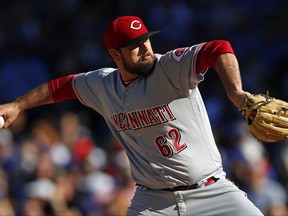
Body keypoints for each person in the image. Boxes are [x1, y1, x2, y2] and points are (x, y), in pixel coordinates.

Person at [0, 15, 264, 216]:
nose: (145, 48)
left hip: (211, 191)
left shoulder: (170, 67)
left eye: (145, 40)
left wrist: (236, 93)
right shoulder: (102, 84)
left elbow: (218, 48)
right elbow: (61, 87)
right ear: (115, 54)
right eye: (134, 46)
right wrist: (17, 105)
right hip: (153, 201)